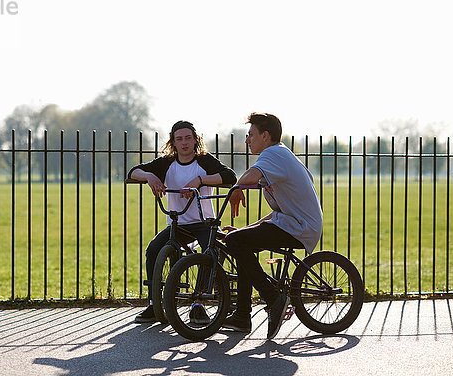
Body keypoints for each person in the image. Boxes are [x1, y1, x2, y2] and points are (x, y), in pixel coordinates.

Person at [221, 113, 323, 339]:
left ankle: (273, 298)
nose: (248, 140)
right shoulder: (280, 154)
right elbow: (278, 214)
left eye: (250, 135)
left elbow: (251, 176)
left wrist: (237, 187)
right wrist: (247, 228)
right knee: (240, 240)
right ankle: (241, 316)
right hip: (292, 223)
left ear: (265, 136)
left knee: (236, 242)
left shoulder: (274, 153)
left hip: (300, 227)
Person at [127, 120, 237, 323]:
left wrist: (200, 180)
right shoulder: (167, 163)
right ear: (173, 142)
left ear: (196, 140)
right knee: (153, 250)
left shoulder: (204, 161)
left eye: (188, 138)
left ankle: (199, 304)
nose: (184, 143)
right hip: (178, 225)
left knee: (211, 252)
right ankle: (154, 303)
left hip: (204, 223)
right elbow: (133, 172)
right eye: (179, 139)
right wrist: (150, 176)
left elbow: (229, 175)